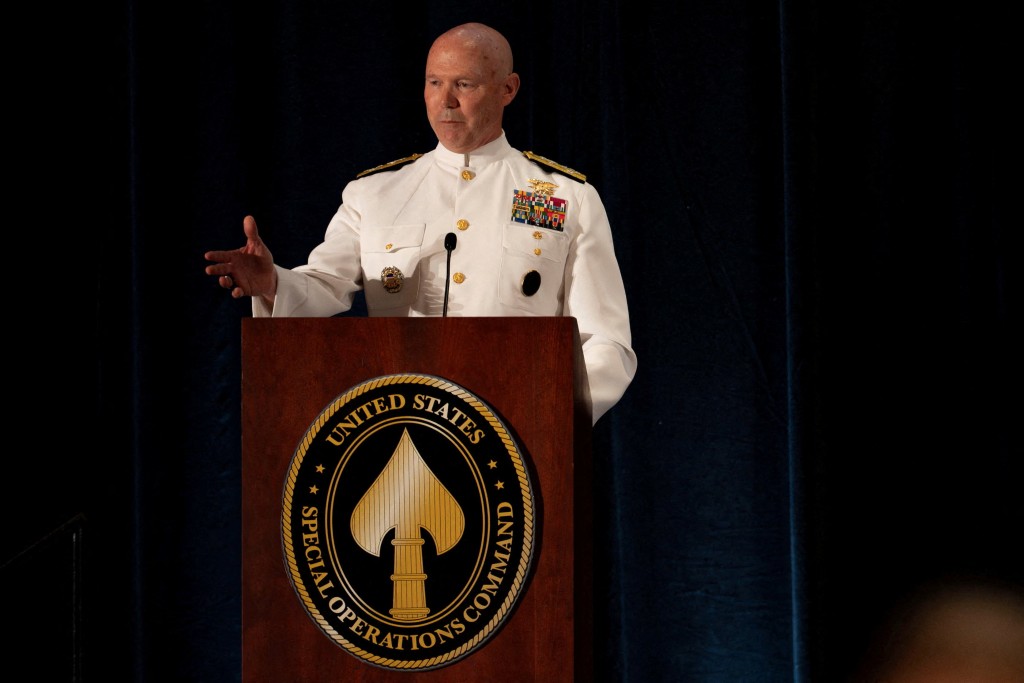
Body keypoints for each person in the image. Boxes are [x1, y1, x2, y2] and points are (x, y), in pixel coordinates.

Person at [204, 22, 636, 423]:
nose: (446, 101)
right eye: (434, 83)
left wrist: (555, 414)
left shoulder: (567, 197)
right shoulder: (375, 194)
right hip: (401, 427)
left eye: (464, 84)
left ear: (508, 89)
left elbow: (608, 343)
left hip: (519, 432)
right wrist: (272, 283)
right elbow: (323, 285)